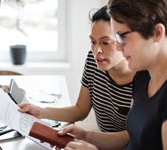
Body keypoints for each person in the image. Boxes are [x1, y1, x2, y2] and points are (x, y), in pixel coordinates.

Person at [58, 0, 167, 149]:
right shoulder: (142, 76)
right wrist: (85, 136)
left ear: (157, 33)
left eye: (122, 36)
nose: (118, 47)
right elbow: (131, 139)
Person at [19, 5, 136, 132]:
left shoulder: (143, 76)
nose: (97, 50)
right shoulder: (94, 60)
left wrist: (86, 137)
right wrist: (42, 111)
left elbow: (132, 138)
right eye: (93, 42)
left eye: (105, 42)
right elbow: (80, 110)